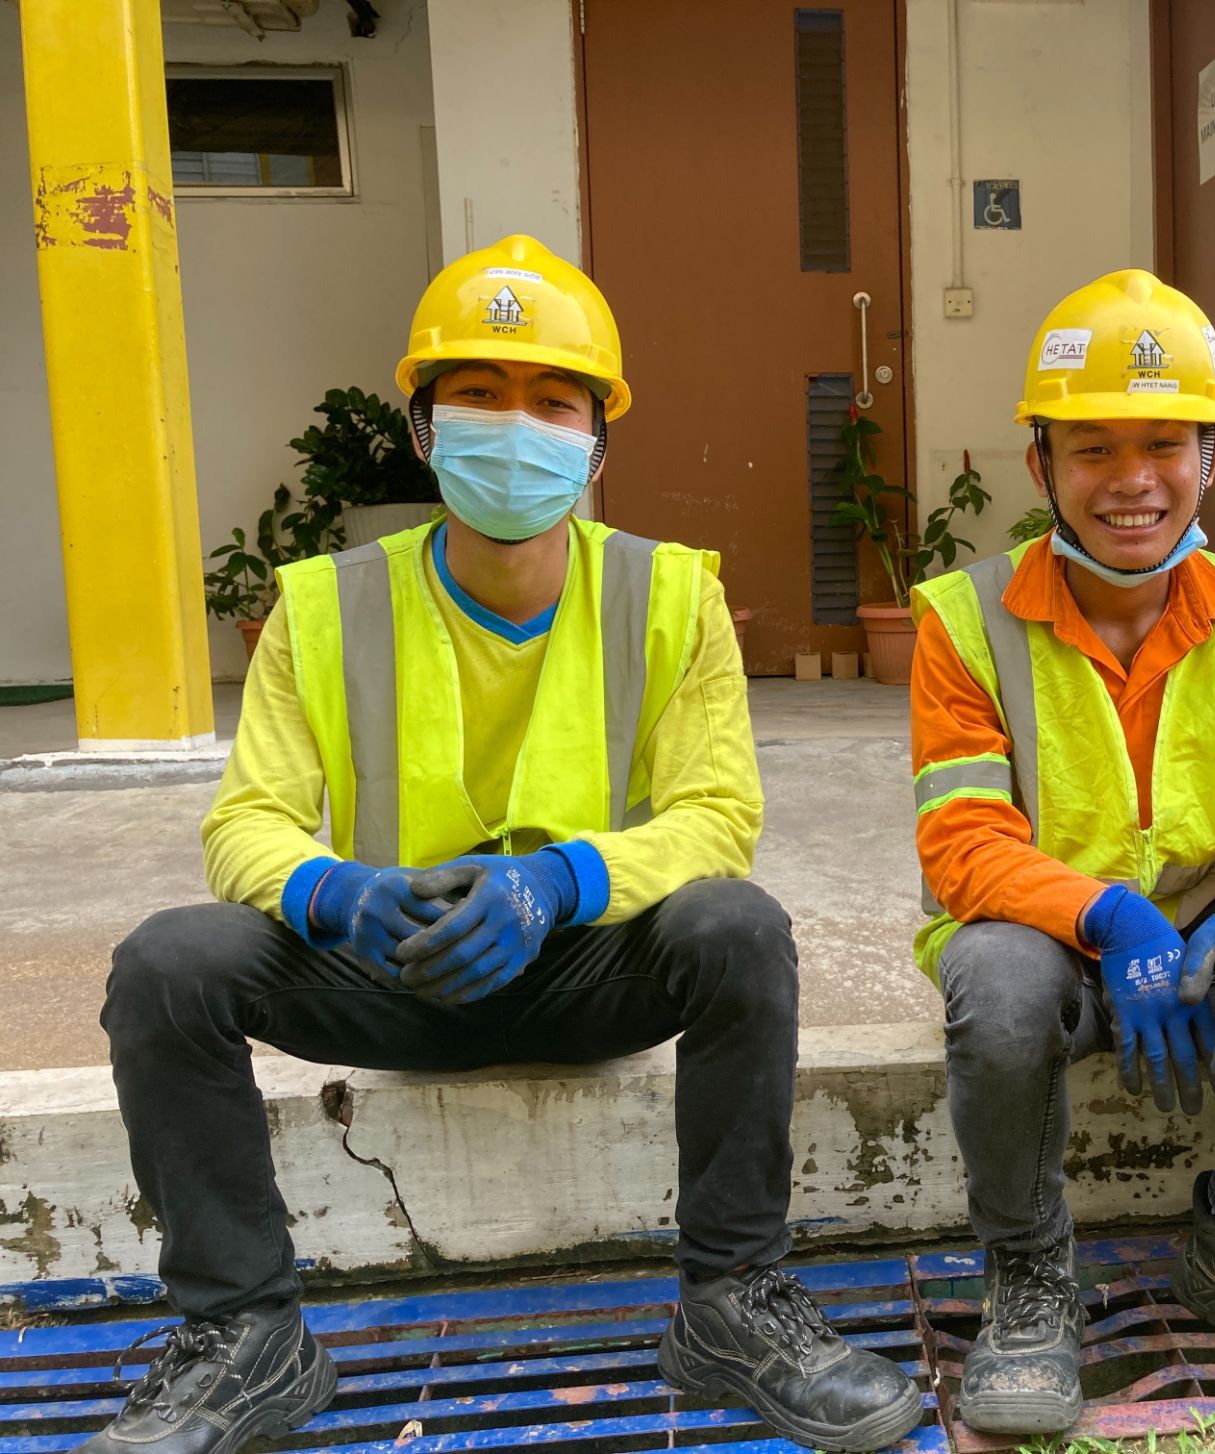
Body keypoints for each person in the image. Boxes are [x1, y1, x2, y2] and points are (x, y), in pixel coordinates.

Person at [85, 234, 921, 1454]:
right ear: (422, 425)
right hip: (388, 967)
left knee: (739, 926)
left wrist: (556, 879)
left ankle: (731, 1302)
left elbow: (715, 814)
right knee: (169, 960)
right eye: (477, 396)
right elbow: (246, 821)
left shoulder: (671, 594)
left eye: (552, 400)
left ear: (596, 438)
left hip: (591, 964)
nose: (513, 426)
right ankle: (250, 1336)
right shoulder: (322, 604)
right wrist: (335, 893)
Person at [908, 269, 1215, 1436]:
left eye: (1164, 443)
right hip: (1051, 936)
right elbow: (965, 839)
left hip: (1211, 928)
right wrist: (1110, 918)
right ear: (1040, 464)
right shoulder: (960, 618)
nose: (1131, 480)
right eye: (1092, 449)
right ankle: (1030, 1276)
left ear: (1210, 456)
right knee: (990, 985)